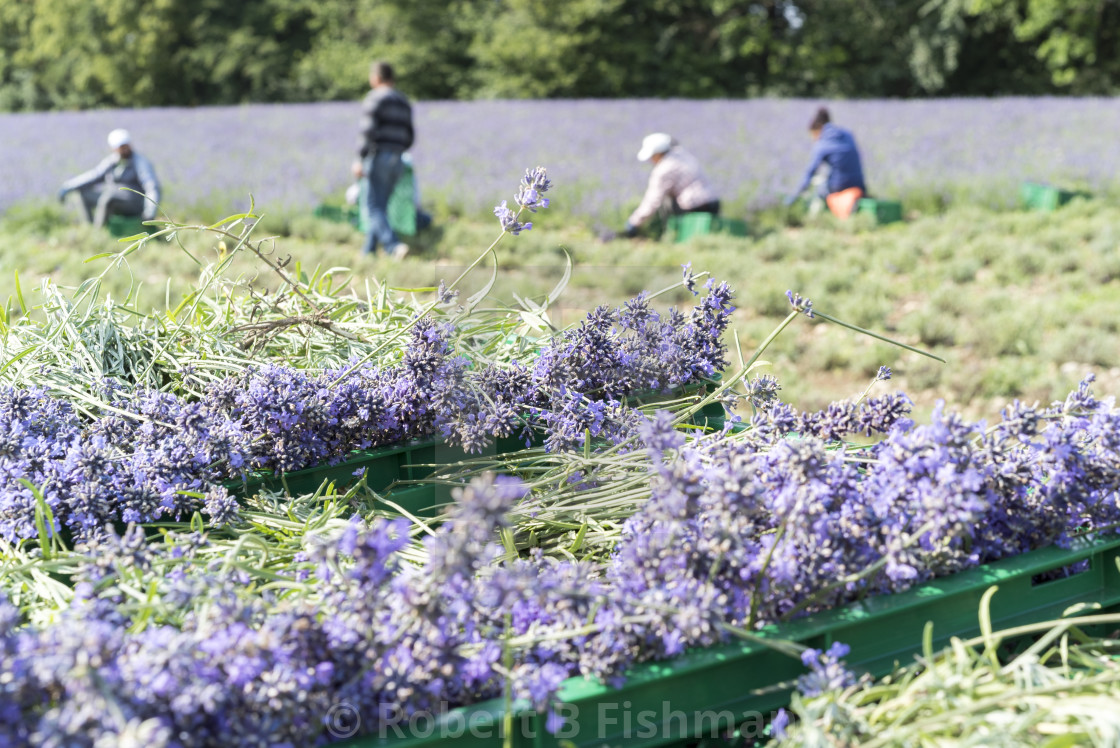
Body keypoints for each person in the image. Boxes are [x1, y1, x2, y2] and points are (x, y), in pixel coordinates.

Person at [354, 61, 414, 259]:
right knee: (380, 207)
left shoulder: (375, 98)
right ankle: (368, 252)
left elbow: (367, 132)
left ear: (376, 78)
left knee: (371, 206)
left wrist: (359, 159)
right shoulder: (403, 101)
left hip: (378, 157)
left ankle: (393, 246)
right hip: (397, 159)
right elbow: (410, 136)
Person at [621, 133, 720, 238]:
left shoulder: (664, 170)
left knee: (665, 202)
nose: (651, 160)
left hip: (693, 208)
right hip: (713, 203)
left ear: (658, 154)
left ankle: (668, 235)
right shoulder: (683, 155)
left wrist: (634, 222)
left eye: (652, 156)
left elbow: (652, 201)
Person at [57, 129, 160, 228]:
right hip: (112, 196)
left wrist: (150, 212)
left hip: (134, 203)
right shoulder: (112, 161)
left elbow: (151, 187)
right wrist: (69, 186)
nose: (124, 149)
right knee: (83, 194)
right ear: (113, 148)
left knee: (108, 197)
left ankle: (98, 232)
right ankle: (89, 228)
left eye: (125, 145)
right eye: (120, 147)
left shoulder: (140, 162)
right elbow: (94, 175)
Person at [784, 107, 866, 219]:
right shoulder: (847, 134)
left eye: (814, 135)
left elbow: (811, 171)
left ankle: (814, 219)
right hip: (859, 183)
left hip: (839, 186)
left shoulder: (823, 143)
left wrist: (796, 194)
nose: (814, 139)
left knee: (819, 187)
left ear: (818, 130)